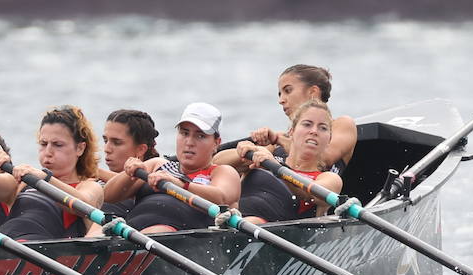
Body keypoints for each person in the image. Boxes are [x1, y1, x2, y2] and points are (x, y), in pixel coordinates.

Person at [0, 105, 103, 241]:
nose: (48, 152)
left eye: (57, 145)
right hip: (6, 246)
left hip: (45, 253)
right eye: (43, 144)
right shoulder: (21, 183)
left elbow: (83, 205)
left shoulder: (89, 187)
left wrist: (45, 178)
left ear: (80, 148)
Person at [103, 103, 242, 233]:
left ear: (216, 143)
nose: (189, 142)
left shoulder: (222, 172)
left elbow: (221, 198)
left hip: (177, 239)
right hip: (133, 234)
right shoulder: (157, 165)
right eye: (184, 133)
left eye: (200, 136)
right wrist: (128, 175)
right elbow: (108, 196)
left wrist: (178, 184)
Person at [246, 64, 357, 172]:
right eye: (280, 94)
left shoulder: (343, 124)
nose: (281, 100)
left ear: (313, 92)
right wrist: (247, 149)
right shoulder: (283, 137)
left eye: (288, 90)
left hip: (307, 189)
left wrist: (277, 140)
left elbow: (321, 159)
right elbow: (242, 162)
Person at [250, 100, 344, 218]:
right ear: (291, 131)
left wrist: (276, 167)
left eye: (323, 128)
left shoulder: (330, 179)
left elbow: (311, 195)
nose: (314, 131)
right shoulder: (266, 158)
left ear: (329, 139)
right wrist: (245, 149)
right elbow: (220, 162)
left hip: (276, 229)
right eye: (307, 124)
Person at [97, 109, 159, 218]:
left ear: (141, 149)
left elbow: (136, 185)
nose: (106, 149)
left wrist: (93, 171)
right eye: (105, 141)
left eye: (117, 143)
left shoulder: (157, 176)